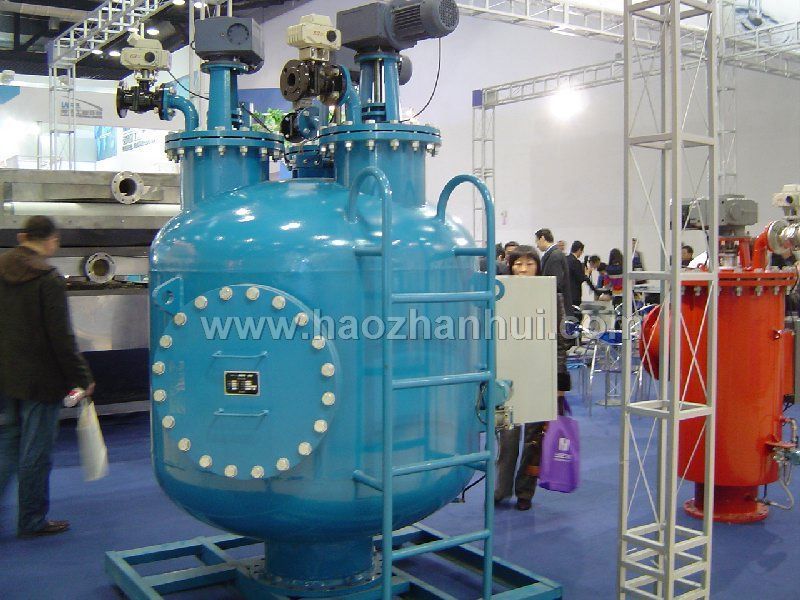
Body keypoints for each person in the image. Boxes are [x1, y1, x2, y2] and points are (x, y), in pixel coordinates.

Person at [0, 216, 94, 538]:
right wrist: (81, 377)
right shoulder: (47, 279)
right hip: (42, 379)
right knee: (35, 452)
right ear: (52, 240)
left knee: (7, 445)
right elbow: (61, 337)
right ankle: (32, 520)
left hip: (6, 374)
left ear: (22, 236)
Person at [494, 247, 566, 511]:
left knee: (534, 439)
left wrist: (559, 380)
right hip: (507, 376)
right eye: (518, 264)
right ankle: (501, 489)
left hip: (539, 374)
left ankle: (525, 491)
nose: (523, 269)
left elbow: (560, 341)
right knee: (507, 436)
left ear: (538, 267)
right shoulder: (499, 295)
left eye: (529, 264)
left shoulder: (551, 297)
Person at [535, 229, 573, 314]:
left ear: (542, 238)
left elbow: (556, 283)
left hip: (556, 305)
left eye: (537, 241)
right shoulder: (553, 254)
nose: (537, 246)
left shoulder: (555, 255)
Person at [566, 241, 596, 309]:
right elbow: (580, 279)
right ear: (579, 250)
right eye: (582, 251)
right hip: (574, 295)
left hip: (566, 293)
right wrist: (587, 273)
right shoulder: (576, 262)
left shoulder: (565, 259)